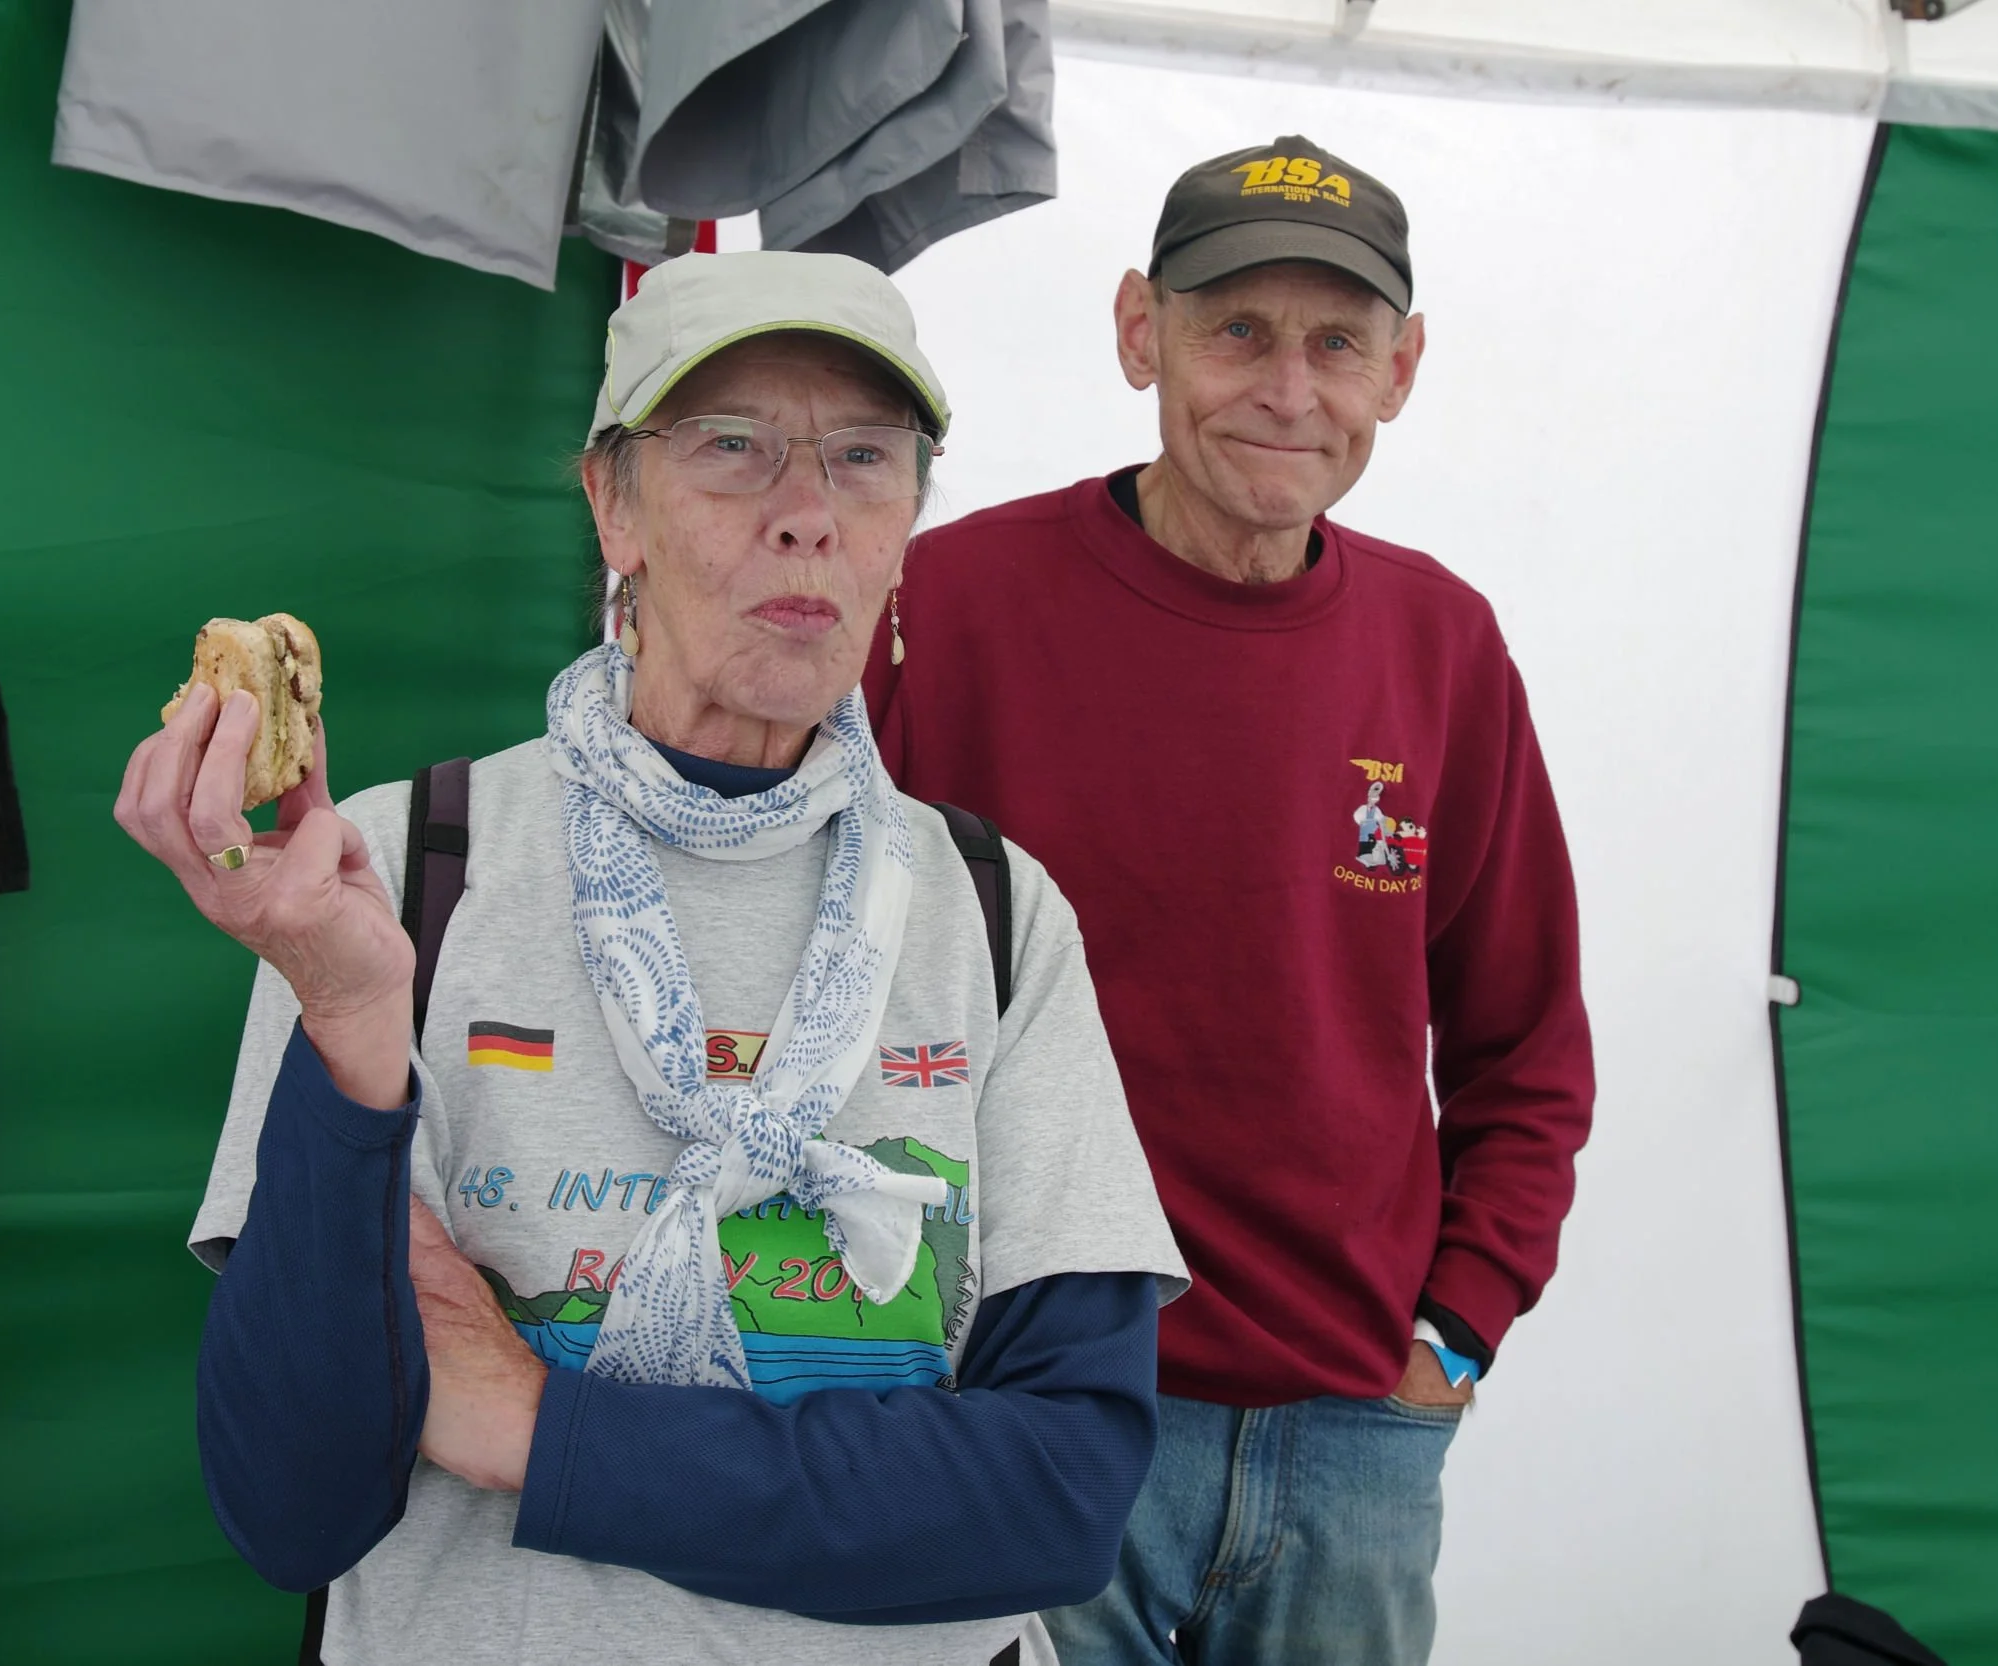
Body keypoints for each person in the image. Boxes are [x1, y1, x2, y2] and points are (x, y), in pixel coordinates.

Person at [113, 249, 1187, 1666]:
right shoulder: (403, 874)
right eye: (732, 448)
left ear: (909, 520)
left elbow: (1054, 1501)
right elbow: (293, 1511)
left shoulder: (990, 912)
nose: (805, 514)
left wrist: (539, 1426)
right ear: (612, 503)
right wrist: (353, 1028)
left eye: (865, 457)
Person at [865, 138, 1596, 1664]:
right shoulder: (944, 607)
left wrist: (1448, 1337)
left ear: (1401, 370)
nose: (1289, 389)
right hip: (1035, 1409)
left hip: (1354, 1444)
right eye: (1237, 331)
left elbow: (1524, 1047)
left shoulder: (1444, 645)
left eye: (1338, 343)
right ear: (1141, 331)